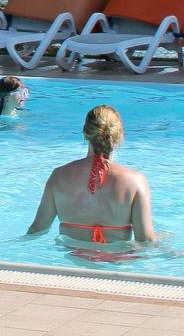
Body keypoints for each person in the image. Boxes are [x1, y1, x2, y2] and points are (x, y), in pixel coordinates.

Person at [28, 105, 154, 246]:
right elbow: (146, 241)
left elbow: (37, 230)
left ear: (85, 133)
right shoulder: (135, 181)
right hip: (117, 261)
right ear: (119, 136)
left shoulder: (58, 176)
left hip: (72, 259)